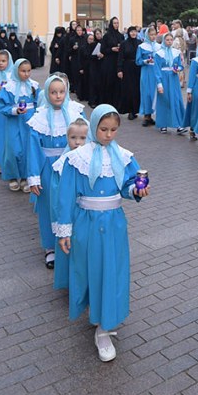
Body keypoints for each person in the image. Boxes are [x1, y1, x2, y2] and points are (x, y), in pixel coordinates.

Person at [54, 103, 148, 362]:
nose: (108, 135)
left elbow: (128, 184)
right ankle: (97, 313)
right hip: (87, 223)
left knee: (113, 270)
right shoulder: (77, 158)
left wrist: (137, 190)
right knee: (90, 270)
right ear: (94, 126)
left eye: (113, 130)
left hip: (114, 223)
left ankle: (104, 328)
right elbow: (66, 194)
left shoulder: (123, 156)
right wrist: (64, 231)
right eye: (103, 129)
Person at [26, 74, 84, 268]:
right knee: (49, 206)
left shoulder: (76, 113)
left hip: (72, 165)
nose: (58, 96)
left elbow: (87, 138)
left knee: (72, 203)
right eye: (53, 92)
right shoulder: (39, 118)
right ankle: (50, 247)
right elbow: (33, 149)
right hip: (48, 168)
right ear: (47, 94)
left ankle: (73, 241)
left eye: (61, 92)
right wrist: (34, 177)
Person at [49, 116, 89, 291]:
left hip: (85, 213)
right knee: (69, 245)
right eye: (73, 137)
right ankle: (70, 281)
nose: (77, 142)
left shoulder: (90, 161)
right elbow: (57, 193)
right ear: (67, 138)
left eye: (82, 138)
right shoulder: (62, 163)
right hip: (70, 213)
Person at [0, 56, 40, 189]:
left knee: (28, 148)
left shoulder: (33, 86)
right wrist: (15, 110)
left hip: (30, 121)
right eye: (23, 71)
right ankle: (12, 175)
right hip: (14, 121)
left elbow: (39, 102)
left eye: (28, 71)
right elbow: (1, 105)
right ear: (16, 71)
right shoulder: (9, 87)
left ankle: (26, 176)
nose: (26, 74)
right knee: (14, 149)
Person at [154, 32, 186, 133]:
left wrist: (178, 69)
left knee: (176, 99)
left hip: (173, 78)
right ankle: (163, 124)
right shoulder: (158, 54)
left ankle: (179, 124)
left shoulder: (176, 52)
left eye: (171, 40)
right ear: (164, 41)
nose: (169, 42)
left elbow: (180, 65)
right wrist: (159, 84)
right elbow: (157, 70)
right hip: (164, 78)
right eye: (167, 40)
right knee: (164, 100)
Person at [136, 23, 160, 126]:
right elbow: (138, 61)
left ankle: (154, 115)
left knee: (155, 92)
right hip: (146, 71)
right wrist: (146, 61)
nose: (153, 37)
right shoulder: (142, 46)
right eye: (151, 35)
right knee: (146, 93)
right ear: (147, 35)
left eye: (154, 34)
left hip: (156, 71)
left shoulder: (159, 46)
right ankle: (146, 115)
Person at [100, 18, 125, 109]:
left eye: (117, 23)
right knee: (109, 83)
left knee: (118, 84)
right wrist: (111, 49)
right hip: (109, 62)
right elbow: (102, 49)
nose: (116, 25)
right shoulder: (107, 36)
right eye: (114, 23)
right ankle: (108, 104)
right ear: (111, 24)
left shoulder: (121, 36)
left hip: (118, 61)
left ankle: (117, 104)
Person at [120, 25, 140, 119]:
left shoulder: (140, 43)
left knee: (137, 89)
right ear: (128, 33)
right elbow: (120, 57)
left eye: (135, 31)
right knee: (129, 89)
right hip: (127, 68)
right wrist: (119, 69)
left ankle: (136, 110)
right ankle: (130, 110)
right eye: (131, 31)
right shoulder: (124, 43)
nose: (133, 33)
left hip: (138, 67)